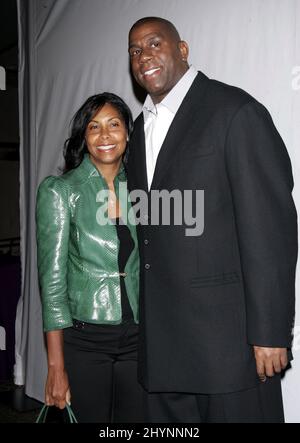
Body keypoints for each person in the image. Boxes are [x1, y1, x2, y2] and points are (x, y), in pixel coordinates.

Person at [127, 17, 298, 423]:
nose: (143, 56)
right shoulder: (138, 128)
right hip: (163, 351)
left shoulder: (235, 112)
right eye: (134, 51)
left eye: (154, 43)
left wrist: (270, 333)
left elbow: (269, 232)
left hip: (228, 349)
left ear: (182, 49)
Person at [36, 92, 144, 423]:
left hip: (139, 339)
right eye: (94, 127)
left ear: (128, 132)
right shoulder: (60, 191)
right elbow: (52, 286)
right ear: (84, 136)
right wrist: (56, 366)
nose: (105, 135)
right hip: (85, 340)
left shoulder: (143, 189)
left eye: (114, 124)